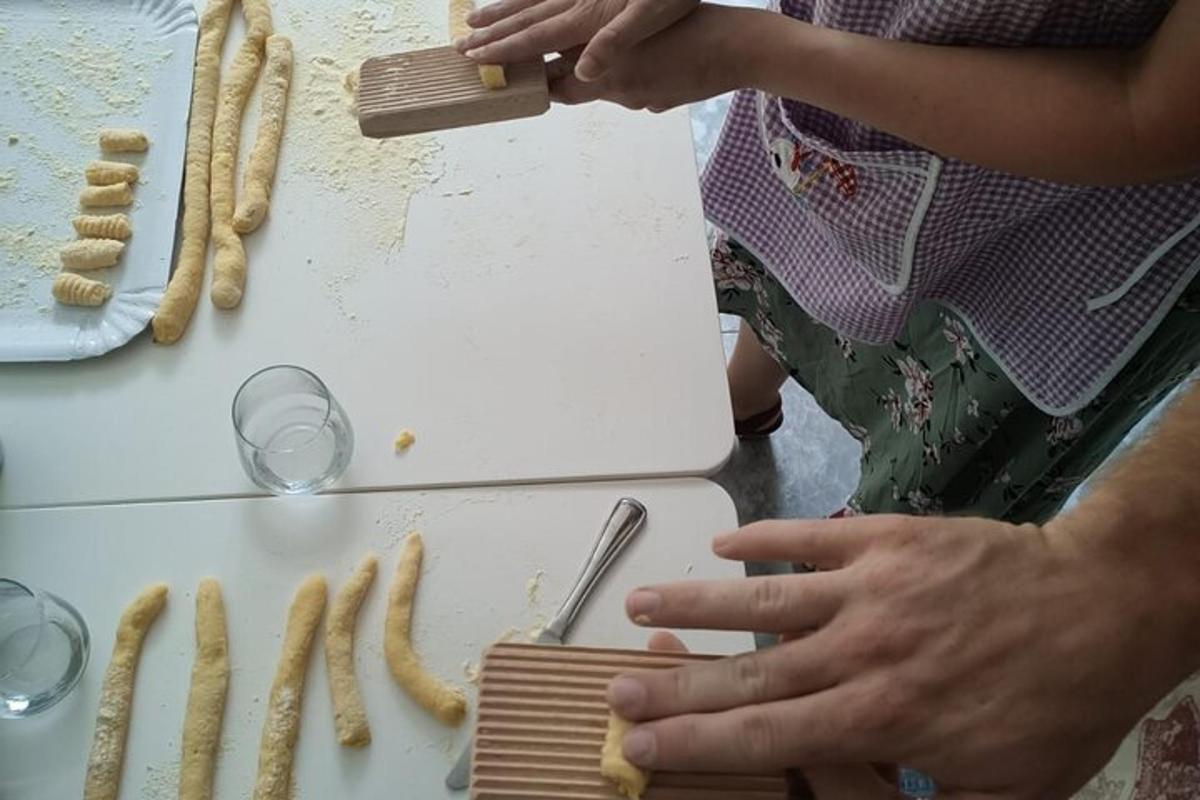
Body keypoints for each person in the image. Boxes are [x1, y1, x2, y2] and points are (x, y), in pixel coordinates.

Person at [460, 1, 1200, 797]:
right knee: (800, 275)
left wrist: (1114, 573)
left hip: (1055, 217)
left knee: (928, 481)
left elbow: (1148, 108)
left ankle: (846, 597)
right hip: (840, 107)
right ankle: (745, 398)